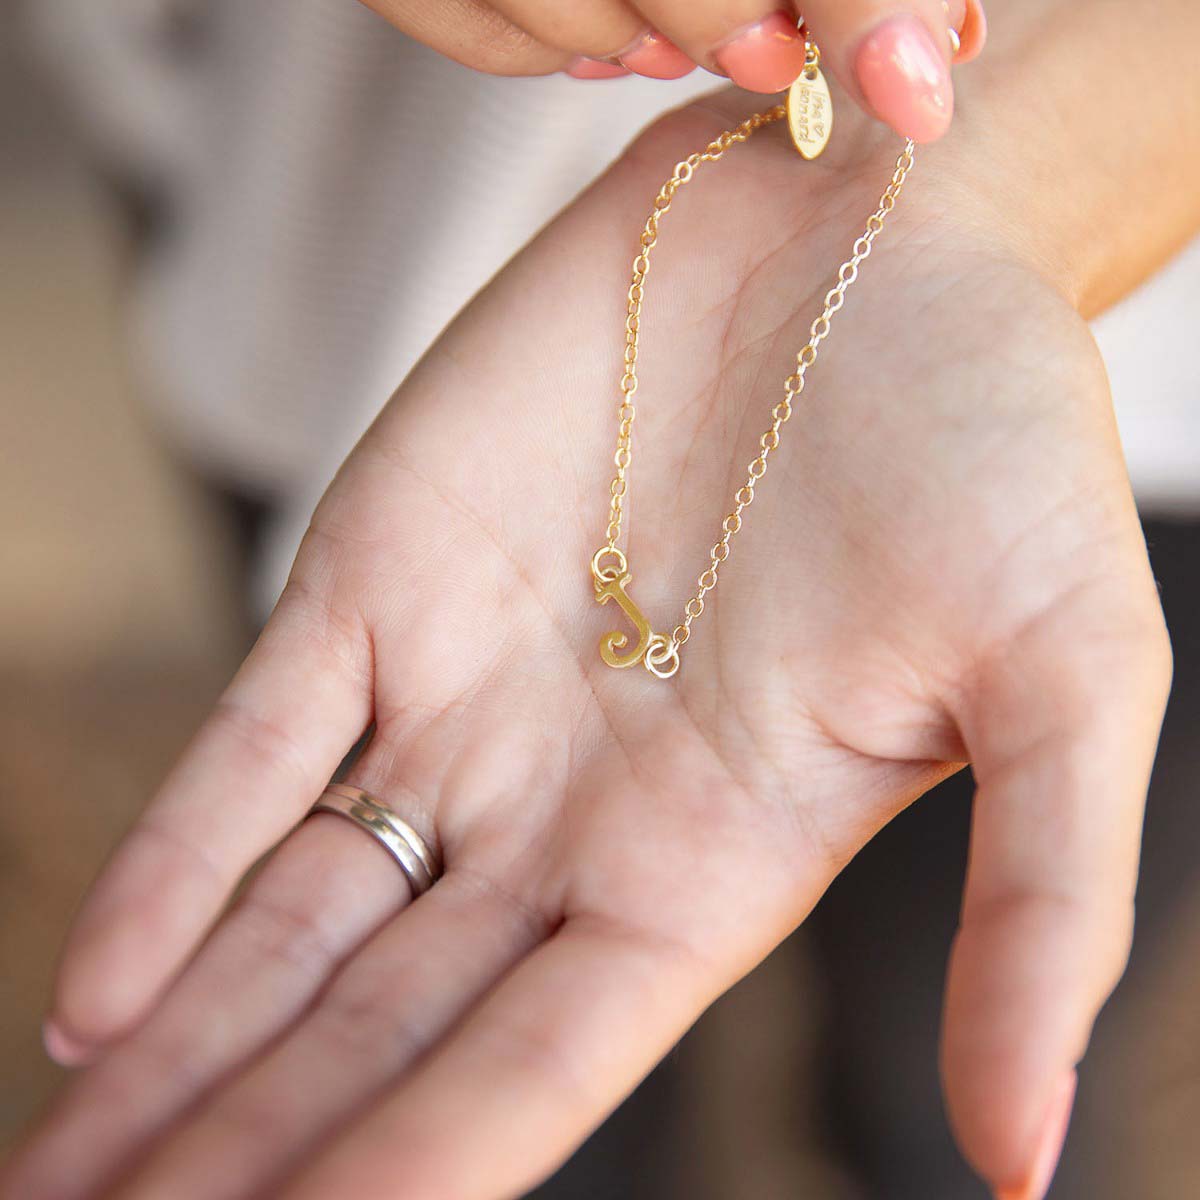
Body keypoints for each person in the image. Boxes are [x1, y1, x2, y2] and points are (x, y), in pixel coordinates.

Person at [4, 2, 1198, 1200]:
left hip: (1121, 388)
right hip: (329, 211)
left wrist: (1007, 186)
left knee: (926, 1056)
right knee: (506, 1106)